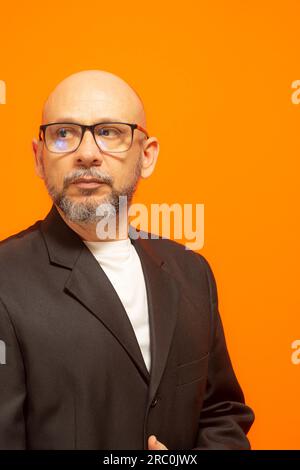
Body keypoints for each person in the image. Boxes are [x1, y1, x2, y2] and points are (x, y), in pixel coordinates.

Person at [0, 70, 254, 450]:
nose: (86, 153)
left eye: (109, 132)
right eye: (64, 133)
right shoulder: (6, 277)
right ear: (39, 157)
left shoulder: (191, 271)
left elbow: (222, 413)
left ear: (146, 156)